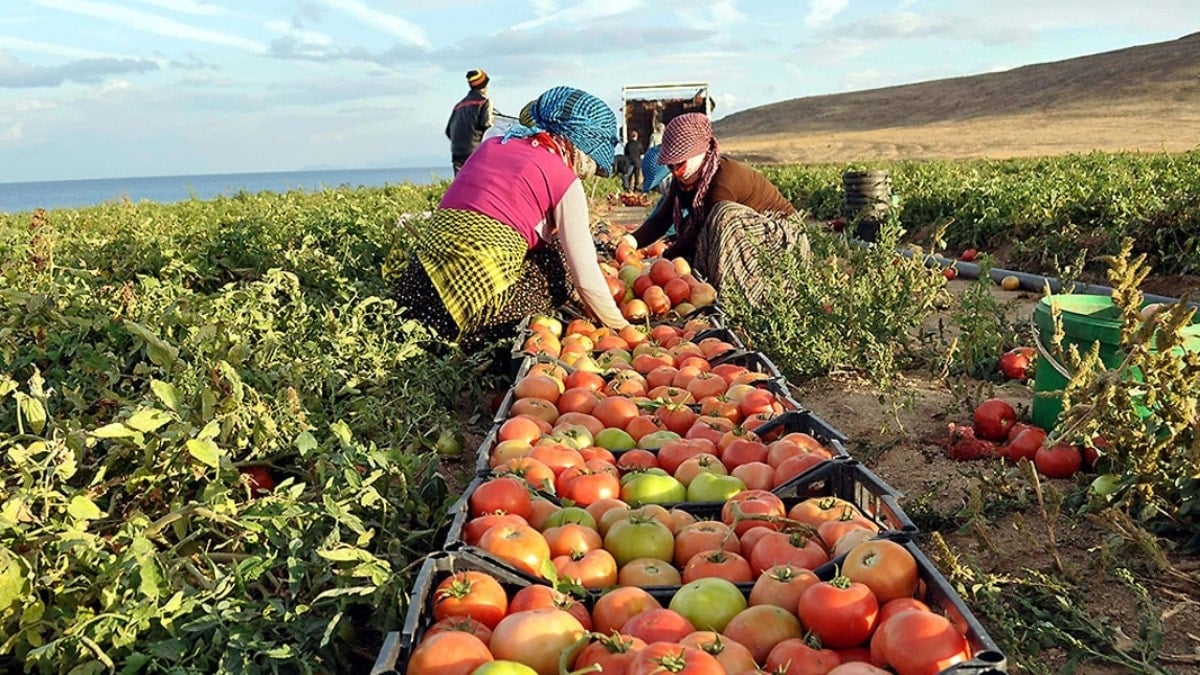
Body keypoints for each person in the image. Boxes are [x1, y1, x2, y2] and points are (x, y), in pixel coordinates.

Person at [394, 85, 630, 346]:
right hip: (470, 315)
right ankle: (482, 337)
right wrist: (623, 329)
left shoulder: (492, 146)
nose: (586, 174)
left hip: (416, 296)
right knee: (561, 262)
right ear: (579, 146)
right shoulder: (562, 178)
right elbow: (584, 277)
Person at [627, 113, 801, 301]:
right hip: (745, 238)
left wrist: (662, 261)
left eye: (680, 163)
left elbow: (702, 229)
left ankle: (741, 295)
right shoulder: (684, 180)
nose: (675, 171)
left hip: (779, 241)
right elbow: (662, 219)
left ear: (700, 152)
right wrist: (630, 242)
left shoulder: (724, 178)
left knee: (722, 214)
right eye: (670, 166)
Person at [445, 69, 494, 174]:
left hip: (457, 152)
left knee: (460, 182)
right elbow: (486, 126)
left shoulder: (458, 106)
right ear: (484, 85)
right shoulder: (484, 101)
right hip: (474, 152)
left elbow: (448, 131)